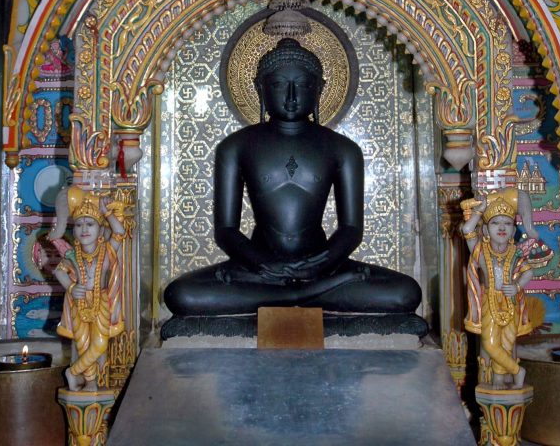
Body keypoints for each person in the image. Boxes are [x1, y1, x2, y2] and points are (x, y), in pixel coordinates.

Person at [164, 38, 421, 317]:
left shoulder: (343, 149)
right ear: (260, 88)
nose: (291, 96)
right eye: (278, 85)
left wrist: (320, 265)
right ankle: (302, 297)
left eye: (303, 85)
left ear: (320, 89)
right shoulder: (235, 147)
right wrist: (262, 264)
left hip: (321, 268)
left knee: (406, 292)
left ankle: (286, 297)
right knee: (180, 294)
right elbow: (226, 230)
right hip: (259, 269)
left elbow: (351, 230)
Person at [53, 189, 125, 391]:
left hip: (101, 301)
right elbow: (59, 271)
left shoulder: (106, 251)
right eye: (78, 225)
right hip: (79, 303)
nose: (84, 229)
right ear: (74, 231)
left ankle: (73, 371)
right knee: (83, 344)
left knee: (100, 344)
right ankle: (91, 383)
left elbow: (119, 233)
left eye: (90, 224)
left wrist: (107, 213)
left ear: (100, 232)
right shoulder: (72, 255)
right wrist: (71, 287)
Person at [461, 193, 533, 389]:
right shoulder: (481, 252)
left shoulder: (516, 253)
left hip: (511, 302)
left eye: (507, 224)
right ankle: (518, 371)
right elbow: (467, 229)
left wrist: (517, 286)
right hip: (489, 301)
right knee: (490, 344)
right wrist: (479, 211)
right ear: (485, 230)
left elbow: (528, 272)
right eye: (495, 223)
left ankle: (499, 380)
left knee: (507, 343)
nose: (502, 228)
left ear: (513, 231)